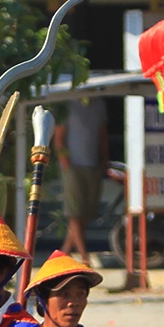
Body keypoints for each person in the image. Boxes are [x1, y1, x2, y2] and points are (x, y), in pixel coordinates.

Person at [56, 99, 108, 260]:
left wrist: (105, 160)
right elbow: (59, 136)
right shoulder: (68, 105)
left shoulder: (99, 104)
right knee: (75, 213)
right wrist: (65, 163)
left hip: (92, 164)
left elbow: (102, 133)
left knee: (86, 213)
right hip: (73, 166)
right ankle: (84, 256)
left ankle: (65, 251)